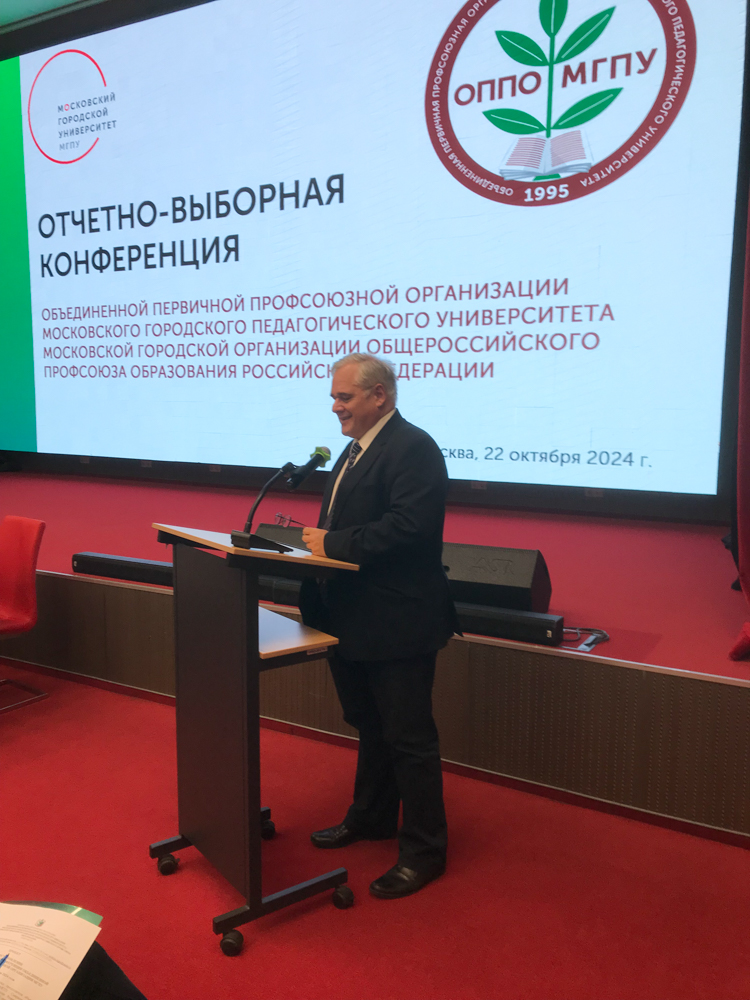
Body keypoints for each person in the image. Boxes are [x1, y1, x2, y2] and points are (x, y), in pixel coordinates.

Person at [300, 353, 458, 899]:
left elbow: (410, 527)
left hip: (398, 619)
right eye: (333, 397)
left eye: (344, 397)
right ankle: (371, 816)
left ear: (379, 396)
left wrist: (332, 544)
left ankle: (424, 851)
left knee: (409, 739)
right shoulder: (353, 451)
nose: (335, 407)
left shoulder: (414, 447)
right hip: (349, 615)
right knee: (370, 724)